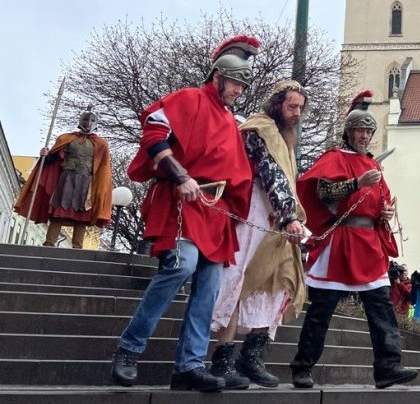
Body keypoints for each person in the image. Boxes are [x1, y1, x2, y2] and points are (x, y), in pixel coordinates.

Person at [110, 35, 258, 392]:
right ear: (219, 76)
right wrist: (180, 175)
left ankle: (189, 366)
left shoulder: (230, 121)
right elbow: (154, 132)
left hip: (215, 210)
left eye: (243, 85)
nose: (240, 90)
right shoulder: (188, 98)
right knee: (182, 265)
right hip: (182, 199)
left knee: (209, 287)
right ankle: (129, 350)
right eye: (236, 82)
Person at [290, 90, 417, 390]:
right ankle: (302, 367)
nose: (364, 136)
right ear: (349, 132)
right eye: (360, 130)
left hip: (369, 242)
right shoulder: (334, 158)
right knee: (321, 310)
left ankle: (388, 367)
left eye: (369, 131)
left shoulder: (373, 164)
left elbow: (380, 200)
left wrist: (386, 211)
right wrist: (356, 183)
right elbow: (323, 194)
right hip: (341, 239)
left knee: (381, 308)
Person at [208, 79, 309, 389]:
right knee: (241, 280)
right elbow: (269, 173)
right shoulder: (258, 129)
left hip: (277, 222)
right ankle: (222, 360)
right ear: (277, 103)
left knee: (277, 284)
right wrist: (288, 216)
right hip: (253, 214)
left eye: (300, 108)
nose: (297, 113)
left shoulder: (286, 138)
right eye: (292, 106)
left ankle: (251, 358)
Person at [15, 110, 113, 248]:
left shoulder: (102, 144)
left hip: (87, 182)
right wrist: (44, 155)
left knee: (82, 215)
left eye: (91, 120)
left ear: (96, 123)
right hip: (66, 179)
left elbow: (103, 168)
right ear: (80, 121)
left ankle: (77, 247)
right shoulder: (66, 138)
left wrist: (100, 190)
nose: (88, 123)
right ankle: (49, 243)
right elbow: (52, 159)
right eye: (85, 120)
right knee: (58, 212)